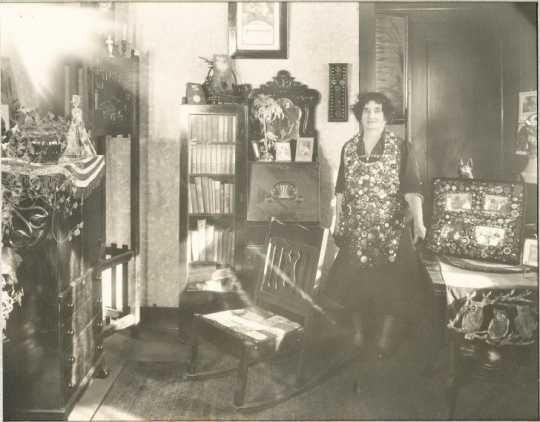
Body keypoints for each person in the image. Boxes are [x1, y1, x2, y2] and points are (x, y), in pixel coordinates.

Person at [325, 92, 426, 360]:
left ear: (386, 116)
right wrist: (337, 222)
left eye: (377, 110)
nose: (371, 115)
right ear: (360, 115)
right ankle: (358, 335)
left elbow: (412, 189)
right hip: (356, 229)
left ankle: (384, 338)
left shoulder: (401, 147)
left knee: (393, 286)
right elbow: (341, 192)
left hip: (390, 229)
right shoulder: (349, 147)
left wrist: (419, 222)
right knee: (353, 283)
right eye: (366, 110)